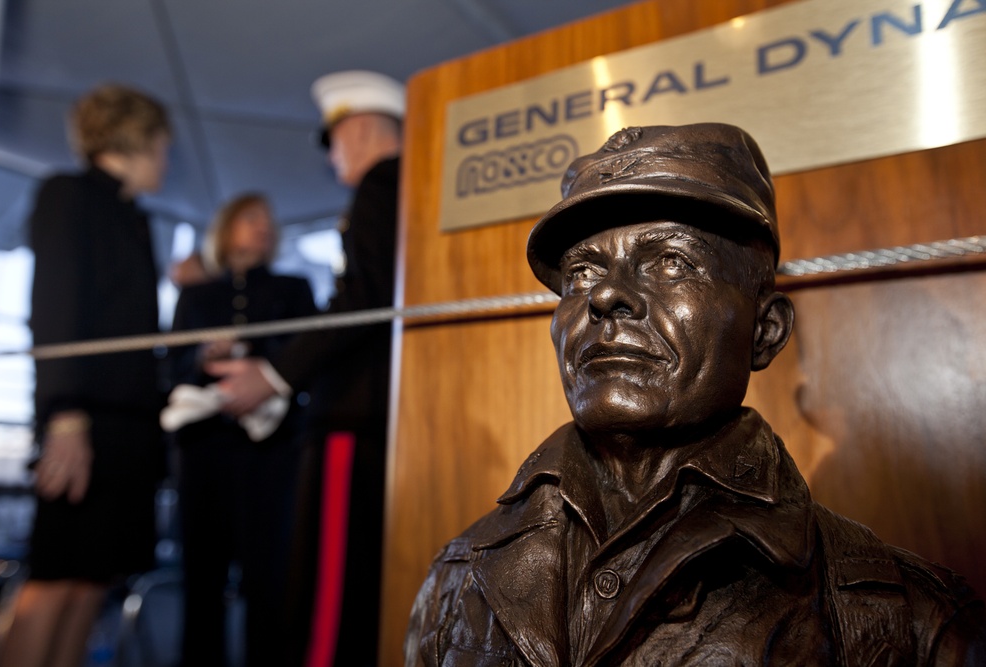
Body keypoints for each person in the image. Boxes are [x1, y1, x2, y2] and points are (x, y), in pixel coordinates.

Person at [405, 123, 986, 665]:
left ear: (765, 332)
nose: (605, 296)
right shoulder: (458, 576)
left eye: (670, 262)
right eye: (582, 271)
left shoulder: (910, 617)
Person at [207, 70, 404, 667]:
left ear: (362, 131)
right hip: (379, 412)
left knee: (330, 597)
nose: (334, 156)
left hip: (353, 412)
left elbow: (363, 298)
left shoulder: (381, 181)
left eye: (336, 140)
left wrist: (273, 376)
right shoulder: (405, 186)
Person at [0, 83, 171, 667]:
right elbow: (53, 308)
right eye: (162, 145)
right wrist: (65, 417)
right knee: (56, 578)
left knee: (93, 581)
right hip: (84, 421)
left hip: (128, 430)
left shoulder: (135, 218)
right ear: (137, 139)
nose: (165, 160)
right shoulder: (67, 194)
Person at [166, 192, 317, 667]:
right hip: (204, 451)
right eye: (252, 218)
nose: (264, 227)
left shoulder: (293, 289)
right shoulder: (194, 295)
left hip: (271, 452)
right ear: (227, 227)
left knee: (269, 578)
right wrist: (201, 358)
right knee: (201, 579)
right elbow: (171, 369)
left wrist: (256, 352)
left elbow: (305, 356)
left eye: (269, 220)